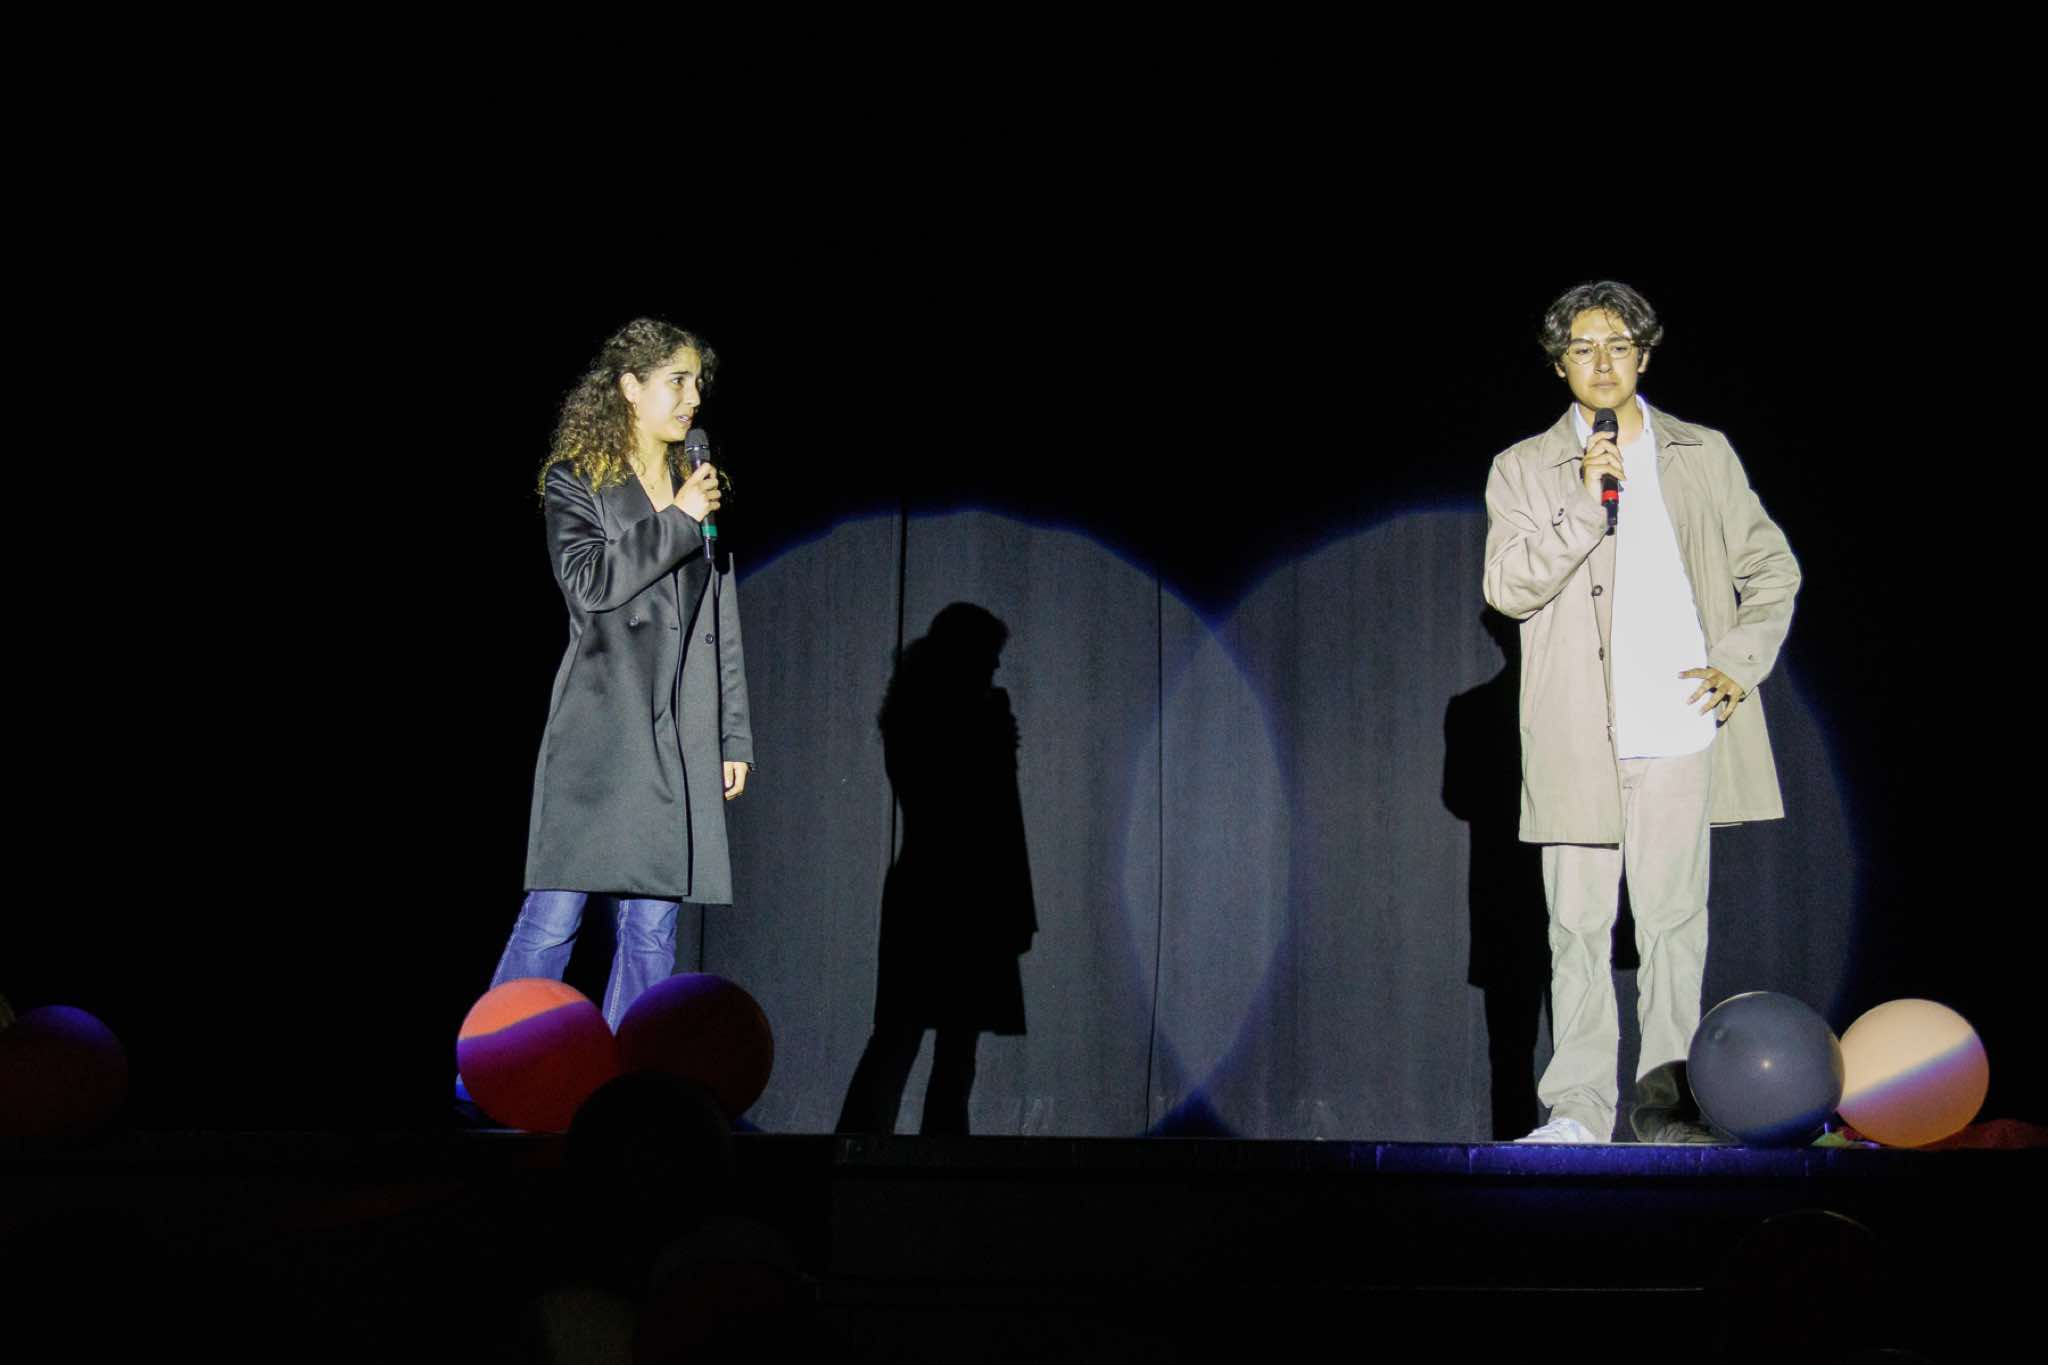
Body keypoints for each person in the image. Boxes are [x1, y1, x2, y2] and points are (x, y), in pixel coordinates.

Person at [1481, 281, 1799, 1143]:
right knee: (1576, 931)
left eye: (1618, 345)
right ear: (1559, 364)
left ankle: (1667, 1117)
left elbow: (1772, 568)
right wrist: (1586, 506)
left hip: (1679, 726)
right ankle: (1578, 1114)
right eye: (1582, 348)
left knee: (1673, 929)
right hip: (1577, 732)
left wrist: (1740, 661)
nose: (1602, 362)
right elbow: (1506, 586)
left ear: (1644, 356)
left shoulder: (1703, 452)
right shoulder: (1523, 466)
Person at [484, 318, 754, 1036]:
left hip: (676, 729)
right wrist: (677, 518)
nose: (693, 398)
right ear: (631, 388)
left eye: (698, 382)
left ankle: (626, 1070)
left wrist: (732, 734)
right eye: (677, 381)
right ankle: (490, 1065)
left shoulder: (700, 485)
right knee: (554, 918)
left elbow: (718, 616)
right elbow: (589, 582)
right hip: (602, 729)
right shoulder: (578, 480)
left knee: (652, 931)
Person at [836, 604, 1035, 1135]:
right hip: (955, 893)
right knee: (931, 1040)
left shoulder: (917, 714)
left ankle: (872, 1149)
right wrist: (993, 741)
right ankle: (903, 1152)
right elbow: (979, 812)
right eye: (988, 656)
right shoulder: (945, 722)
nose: (995, 668)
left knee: (921, 1038)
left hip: (943, 889)